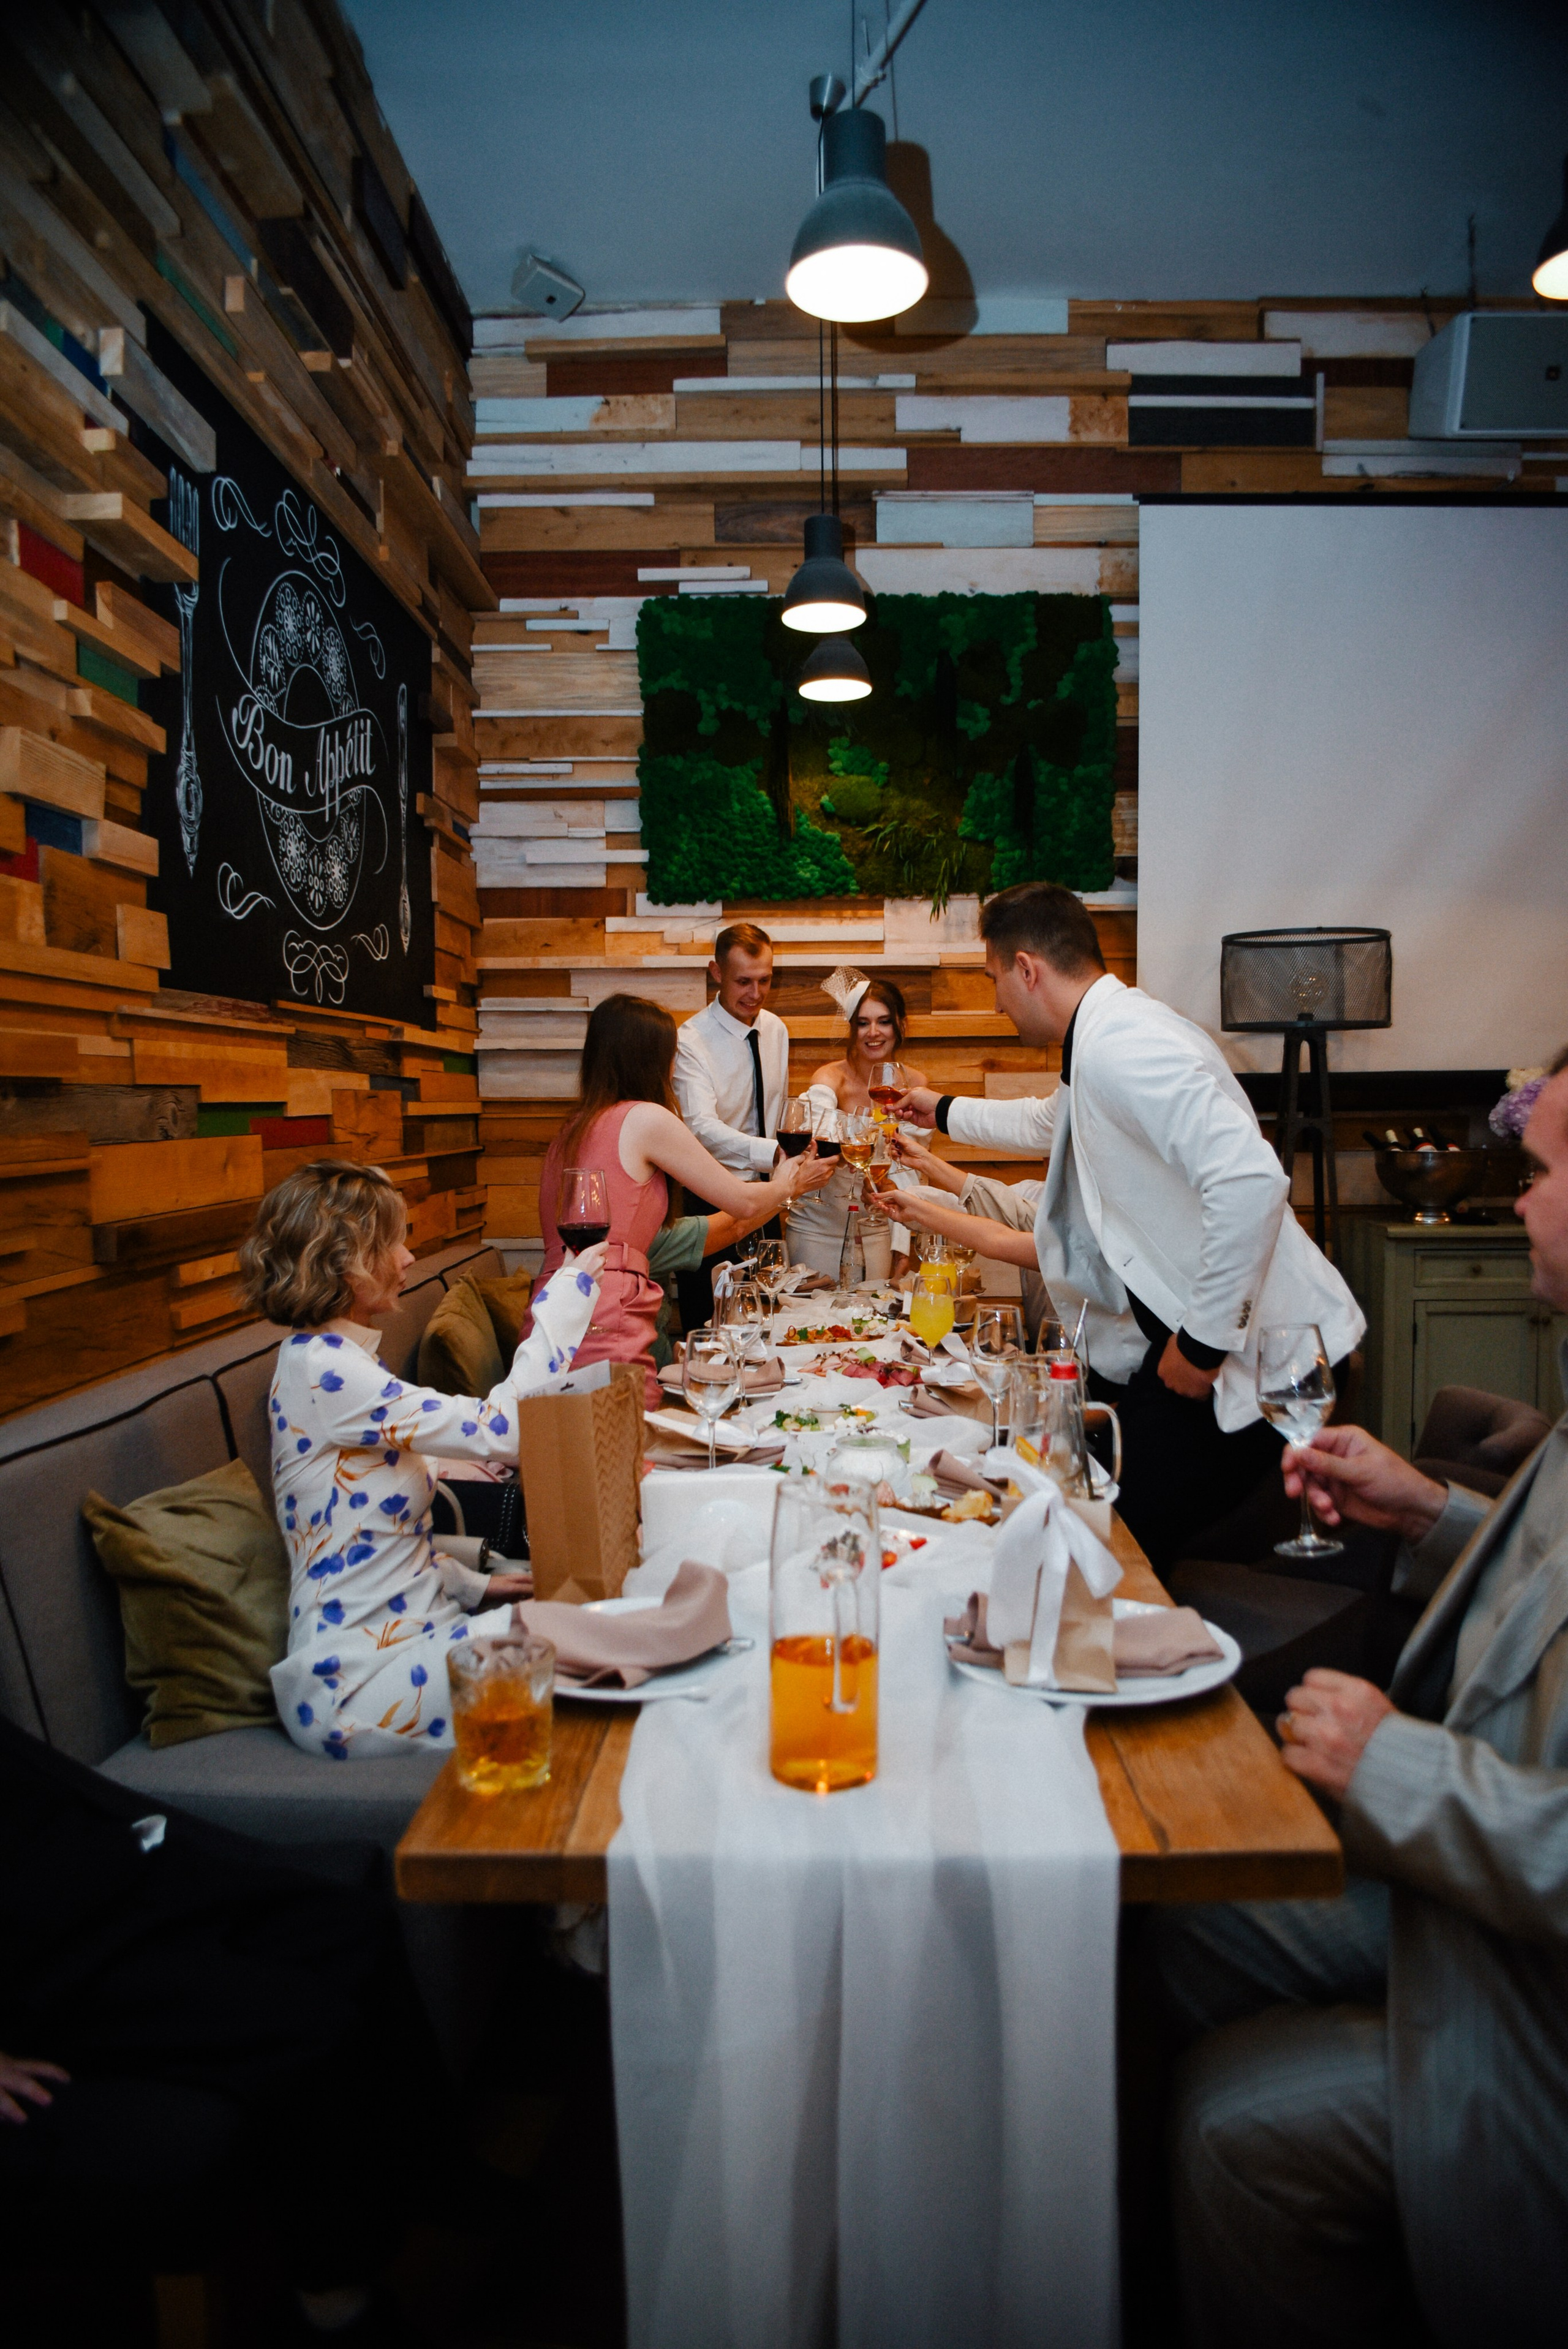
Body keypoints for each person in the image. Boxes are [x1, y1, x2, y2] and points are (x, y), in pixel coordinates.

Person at [1151, 1045, 1568, 2348]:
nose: (1515, 1199)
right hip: (1468, 1906)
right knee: (1164, 1907)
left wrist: (1397, 1767)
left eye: (1541, 1170)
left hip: (1525, 1989)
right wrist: (1429, 1510)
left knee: (1230, 2122)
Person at [884, 882, 1363, 1566]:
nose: (995, 1000)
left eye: (995, 980)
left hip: (1257, 1349)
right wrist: (943, 1110)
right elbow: (1049, 1121)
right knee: (1091, 1500)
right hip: (1200, 1337)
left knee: (1114, 1537)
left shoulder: (1123, 1043)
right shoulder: (1102, 1034)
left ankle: (1149, 1653)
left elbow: (1250, 1180)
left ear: (1027, 969)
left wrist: (1201, 1346)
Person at [0, 1713, 431, 2345]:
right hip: (39, 1965)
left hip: (77, 1859)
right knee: (306, 2027)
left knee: (349, 1927)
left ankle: (432, 2184)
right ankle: (334, 2309)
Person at [239, 1159, 606, 1760]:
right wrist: (566, 1297)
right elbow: (508, 1431)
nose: (407, 1258)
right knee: (579, 1633)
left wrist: (478, 1584)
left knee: (586, 1621)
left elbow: (366, 1534)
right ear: (345, 1262)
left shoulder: (338, 1362)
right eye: (392, 1242)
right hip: (354, 1683)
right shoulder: (323, 1371)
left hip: (415, 1638)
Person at [530, 992, 831, 1400]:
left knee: (572, 1454)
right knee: (629, 1450)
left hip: (551, 1315)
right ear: (651, 1058)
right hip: (608, 1316)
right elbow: (740, 1203)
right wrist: (788, 1184)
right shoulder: (647, 1118)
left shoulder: (569, 1131)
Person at [672, 921, 792, 1323]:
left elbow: (777, 1107)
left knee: (772, 1313)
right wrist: (770, 1152)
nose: (755, 994)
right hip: (711, 1203)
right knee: (711, 1323)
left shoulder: (776, 1029)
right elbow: (700, 1126)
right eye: (743, 981)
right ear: (716, 972)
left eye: (765, 980)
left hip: (768, 1198)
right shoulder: (690, 1040)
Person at [789, 972, 929, 1280]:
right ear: (852, 1029)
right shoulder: (829, 1078)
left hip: (879, 1228)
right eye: (863, 1023)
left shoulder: (916, 1085)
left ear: (900, 1026)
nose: (873, 1032)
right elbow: (817, 1126)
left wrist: (904, 1243)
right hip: (817, 1228)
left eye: (884, 1021)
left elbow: (910, 1171)